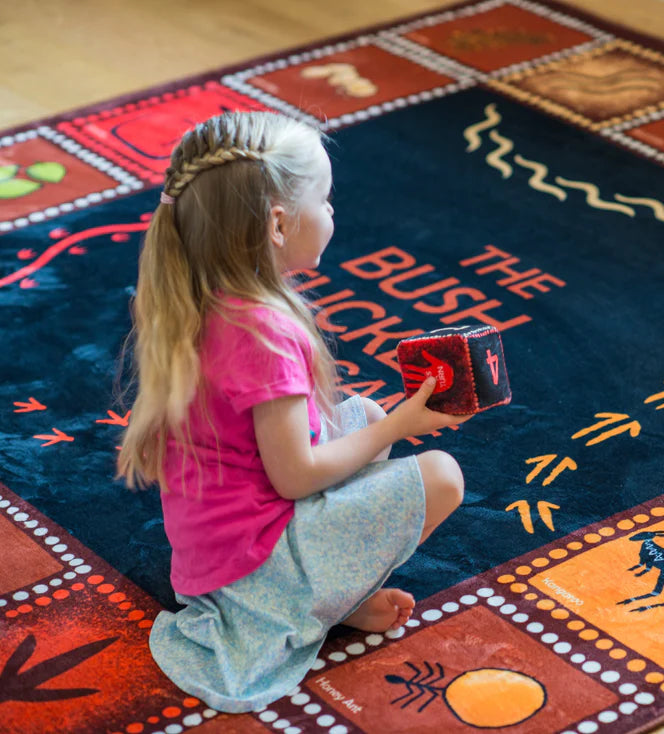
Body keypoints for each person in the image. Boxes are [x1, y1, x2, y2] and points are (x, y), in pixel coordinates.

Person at [117, 111, 470, 713]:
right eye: (326, 201)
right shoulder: (262, 332)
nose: (334, 213)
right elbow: (294, 476)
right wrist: (400, 425)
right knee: (441, 476)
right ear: (278, 224)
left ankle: (340, 595)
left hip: (215, 553)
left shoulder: (206, 299)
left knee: (355, 412)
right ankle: (315, 604)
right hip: (252, 573)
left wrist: (382, 424)